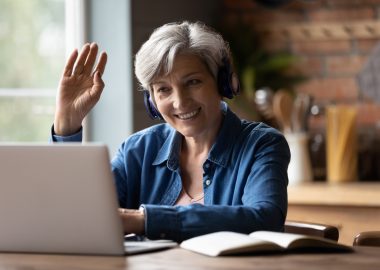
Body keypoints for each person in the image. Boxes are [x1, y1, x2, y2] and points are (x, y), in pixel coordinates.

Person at [51, 21, 290, 242]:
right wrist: (67, 125)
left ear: (223, 82)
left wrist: (144, 220)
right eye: (163, 89)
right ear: (151, 100)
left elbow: (264, 218)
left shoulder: (263, 144)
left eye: (193, 82)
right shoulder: (138, 150)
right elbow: (77, 215)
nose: (180, 102)